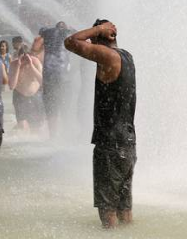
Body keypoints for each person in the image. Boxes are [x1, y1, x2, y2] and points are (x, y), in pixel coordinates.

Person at [64, 20, 136, 229]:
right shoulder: (127, 56)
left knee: (108, 213)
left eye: (93, 38)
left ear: (98, 39)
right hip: (128, 143)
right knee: (124, 210)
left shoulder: (108, 57)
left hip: (110, 145)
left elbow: (70, 42)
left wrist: (97, 30)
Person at [32, 22, 74, 137]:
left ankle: (53, 136)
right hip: (64, 76)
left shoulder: (46, 32)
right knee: (65, 105)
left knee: (51, 106)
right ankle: (66, 134)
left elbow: (35, 48)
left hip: (49, 74)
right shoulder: (70, 33)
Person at [8, 45, 44, 131]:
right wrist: (18, 66)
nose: (25, 61)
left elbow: (43, 82)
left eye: (26, 58)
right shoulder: (14, 64)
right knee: (22, 126)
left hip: (35, 96)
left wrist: (31, 65)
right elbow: (12, 86)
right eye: (22, 58)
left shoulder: (35, 62)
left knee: (36, 127)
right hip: (19, 96)